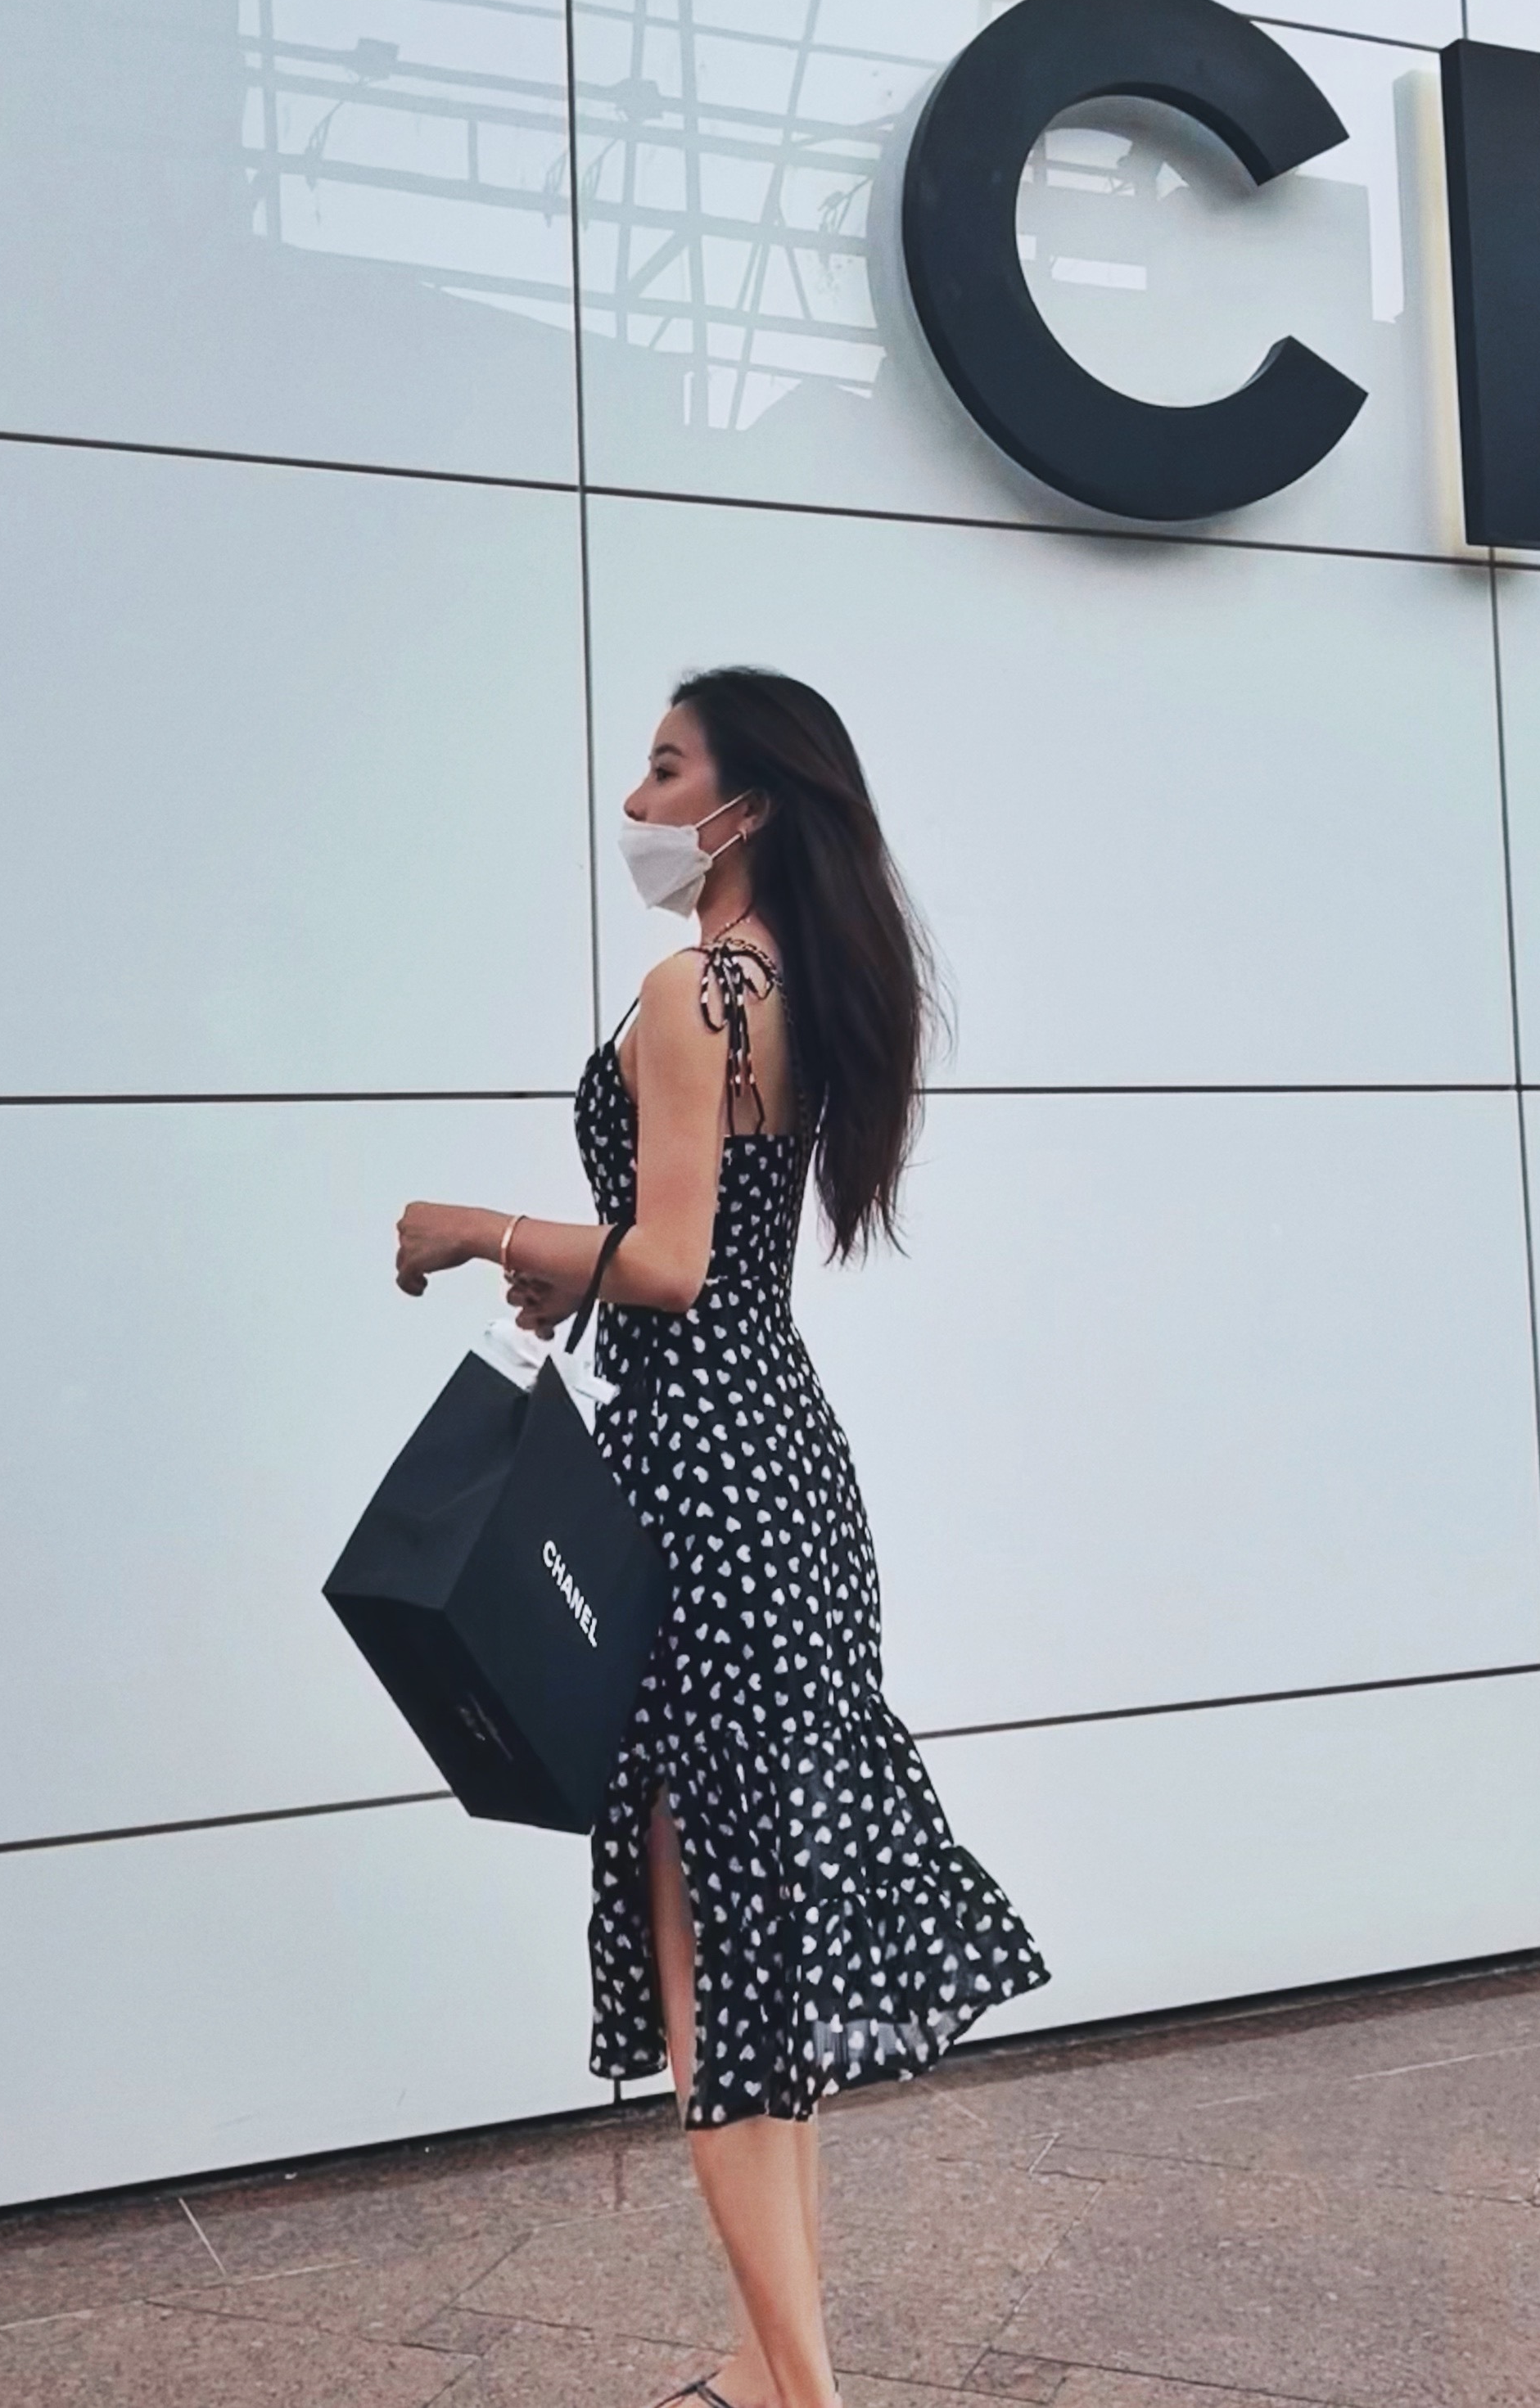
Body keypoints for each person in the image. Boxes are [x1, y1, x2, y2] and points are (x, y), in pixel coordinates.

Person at [395, 666, 1046, 2408]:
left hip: (700, 1482)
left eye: (666, 768)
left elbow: (673, 1260)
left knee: (710, 1985)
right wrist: (574, 1271)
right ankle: (769, 2372)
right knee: (760, 1974)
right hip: (783, 1472)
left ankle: (801, 2394)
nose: (638, 798)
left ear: (742, 807)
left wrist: (472, 1227)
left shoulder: (698, 989)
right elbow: (696, 1248)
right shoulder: (798, 986)